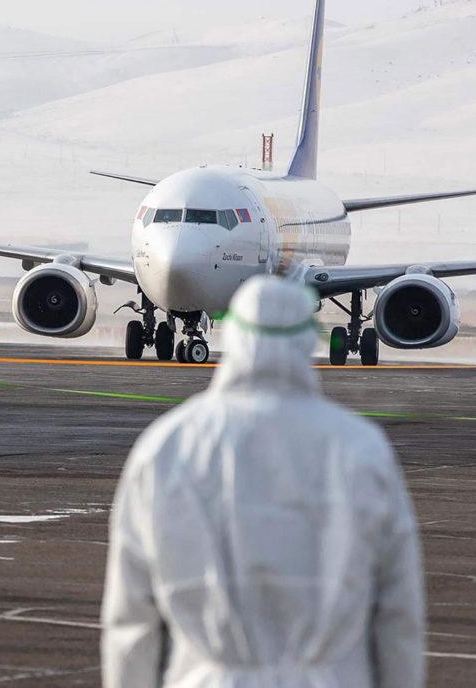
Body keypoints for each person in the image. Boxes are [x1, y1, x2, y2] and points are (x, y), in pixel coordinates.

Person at [101, 275, 425, 688]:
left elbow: (130, 620)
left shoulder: (166, 446)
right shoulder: (360, 447)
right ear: (308, 339)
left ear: (232, 334)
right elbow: (399, 617)